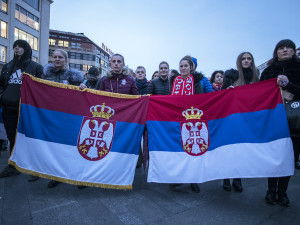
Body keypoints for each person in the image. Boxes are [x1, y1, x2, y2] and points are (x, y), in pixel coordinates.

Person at [260, 39, 300, 206]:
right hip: (274, 120)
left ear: (293, 51)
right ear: (276, 52)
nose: (284, 50)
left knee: (290, 156)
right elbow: (260, 94)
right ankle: (271, 190)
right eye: (281, 48)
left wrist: (288, 86)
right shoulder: (268, 71)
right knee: (274, 156)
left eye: (288, 47)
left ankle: (282, 192)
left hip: (295, 121)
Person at [0, 40, 43, 178]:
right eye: (15, 47)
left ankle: (34, 166)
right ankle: (13, 165)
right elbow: (1, 84)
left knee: (30, 137)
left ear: (26, 49)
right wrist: (3, 96)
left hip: (26, 109)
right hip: (8, 107)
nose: (17, 49)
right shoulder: (8, 66)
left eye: (20, 47)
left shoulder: (35, 67)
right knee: (12, 136)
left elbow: (41, 87)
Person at [43, 49, 84, 188]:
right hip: (53, 117)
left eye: (60, 57)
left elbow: (83, 96)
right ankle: (57, 175)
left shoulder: (75, 78)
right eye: (54, 57)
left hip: (70, 117)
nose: (57, 59)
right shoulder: (45, 75)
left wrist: (83, 87)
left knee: (74, 146)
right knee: (56, 147)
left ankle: (79, 176)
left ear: (66, 60)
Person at [222, 52, 259, 192]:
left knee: (242, 150)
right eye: (243, 58)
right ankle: (226, 177)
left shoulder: (256, 77)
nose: (246, 61)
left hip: (247, 118)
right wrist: (227, 90)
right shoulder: (232, 76)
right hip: (231, 118)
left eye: (249, 58)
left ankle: (238, 179)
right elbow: (222, 97)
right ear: (239, 61)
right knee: (229, 149)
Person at [170, 56, 203, 193]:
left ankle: (193, 179)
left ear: (191, 68)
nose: (183, 68)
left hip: (192, 120)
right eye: (181, 66)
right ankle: (179, 177)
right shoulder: (174, 81)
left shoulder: (196, 82)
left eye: (185, 66)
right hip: (176, 118)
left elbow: (201, 99)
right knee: (179, 148)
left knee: (191, 148)